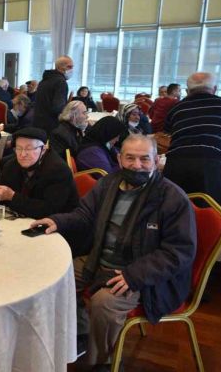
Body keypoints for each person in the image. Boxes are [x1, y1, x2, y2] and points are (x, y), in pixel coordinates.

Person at [31, 135, 196, 371]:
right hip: (99, 258)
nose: (136, 165)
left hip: (141, 274)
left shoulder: (171, 198)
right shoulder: (109, 184)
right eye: (130, 158)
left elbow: (178, 252)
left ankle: (102, 362)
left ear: (156, 161)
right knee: (53, 276)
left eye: (144, 159)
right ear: (119, 159)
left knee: (104, 303)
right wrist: (58, 221)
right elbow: (84, 214)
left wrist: (134, 275)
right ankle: (78, 333)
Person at [163, 72, 221, 208]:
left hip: (176, 163)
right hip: (211, 164)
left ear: (187, 91)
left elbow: (168, 131)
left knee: (173, 210)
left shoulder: (176, 108)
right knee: (211, 212)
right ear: (214, 89)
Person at [0, 127, 78, 219]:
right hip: (23, 221)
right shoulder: (12, 165)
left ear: (43, 149)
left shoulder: (58, 170)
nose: (22, 154)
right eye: (19, 148)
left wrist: (12, 197)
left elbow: (49, 210)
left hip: (57, 228)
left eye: (29, 149)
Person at [34, 56, 73, 133]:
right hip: (52, 125)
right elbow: (58, 108)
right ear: (60, 67)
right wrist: (68, 105)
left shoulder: (44, 80)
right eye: (69, 66)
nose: (72, 69)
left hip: (38, 122)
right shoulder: (61, 82)